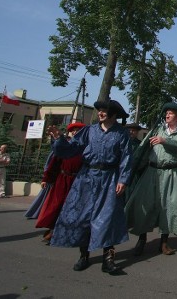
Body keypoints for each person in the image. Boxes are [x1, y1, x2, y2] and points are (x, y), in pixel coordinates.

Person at [47, 100, 132, 274]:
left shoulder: (122, 134)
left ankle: (108, 260)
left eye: (104, 111)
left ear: (114, 114)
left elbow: (127, 158)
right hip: (86, 178)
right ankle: (84, 256)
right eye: (99, 110)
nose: (100, 113)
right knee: (82, 216)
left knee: (108, 219)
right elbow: (71, 149)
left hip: (109, 179)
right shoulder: (89, 131)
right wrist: (58, 139)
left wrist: (123, 180)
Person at [125, 102, 177, 257]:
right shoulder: (157, 129)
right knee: (146, 206)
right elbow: (143, 147)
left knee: (168, 207)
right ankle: (142, 240)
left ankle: (164, 242)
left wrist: (164, 140)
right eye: (166, 113)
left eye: (171, 113)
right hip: (152, 172)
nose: (167, 115)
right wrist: (134, 166)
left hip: (171, 173)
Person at [35, 122, 85, 245]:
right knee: (56, 206)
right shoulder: (65, 146)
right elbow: (54, 163)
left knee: (72, 209)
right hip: (62, 181)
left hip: (77, 182)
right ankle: (52, 230)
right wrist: (46, 178)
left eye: (78, 130)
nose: (75, 132)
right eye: (73, 130)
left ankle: (66, 233)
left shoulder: (85, 148)